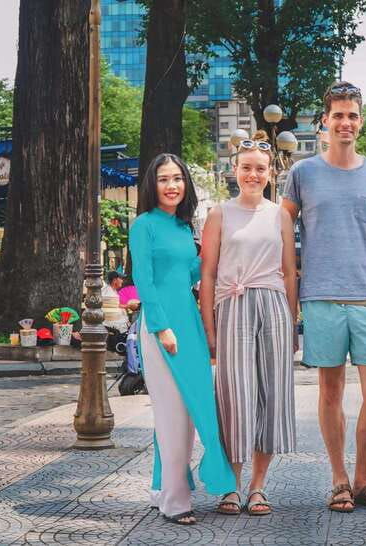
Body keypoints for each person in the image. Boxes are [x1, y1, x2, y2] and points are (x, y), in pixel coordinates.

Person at [282, 81, 366, 513]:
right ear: (324, 123)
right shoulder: (303, 174)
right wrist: (290, 289)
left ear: (360, 122)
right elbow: (281, 228)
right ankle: (339, 480)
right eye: (338, 115)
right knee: (330, 391)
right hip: (320, 297)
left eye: (352, 115)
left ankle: (364, 477)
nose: (345, 122)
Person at [129, 153, 234, 525]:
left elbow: (192, 271)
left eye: (177, 178)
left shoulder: (182, 227)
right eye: (163, 179)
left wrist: (214, 246)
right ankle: (175, 500)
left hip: (187, 321)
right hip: (162, 327)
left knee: (190, 410)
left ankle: (164, 486)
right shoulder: (144, 225)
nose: (172, 185)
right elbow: (143, 277)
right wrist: (160, 326)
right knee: (172, 412)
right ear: (152, 185)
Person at [200, 131, 298, 516]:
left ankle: (258, 486)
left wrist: (292, 323)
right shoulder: (219, 214)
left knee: (271, 395)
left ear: (270, 172)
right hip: (233, 306)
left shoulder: (280, 215)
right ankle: (232, 485)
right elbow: (207, 274)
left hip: (273, 304)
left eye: (260, 169)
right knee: (235, 397)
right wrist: (209, 326)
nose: (253, 175)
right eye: (246, 168)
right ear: (234, 170)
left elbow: (290, 273)